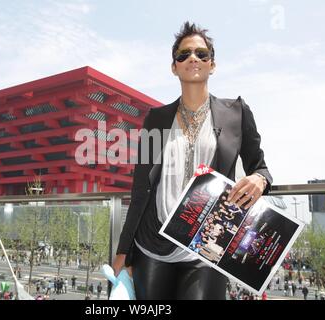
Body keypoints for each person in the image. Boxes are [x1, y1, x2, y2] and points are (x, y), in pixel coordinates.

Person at [112, 21, 272, 300]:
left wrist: (259, 179)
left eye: (201, 53)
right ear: (174, 67)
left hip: (206, 247)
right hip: (152, 244)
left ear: (213, 64)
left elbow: (260, 166)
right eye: (183, 55)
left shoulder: (237, 113)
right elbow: (140, 190)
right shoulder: (156, 119)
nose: (193, 59)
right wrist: (123, 250)